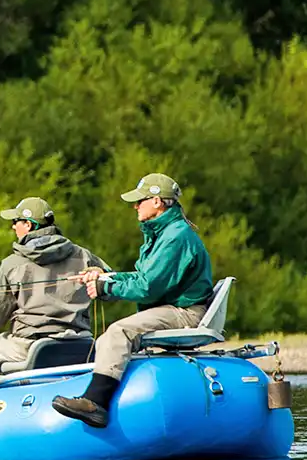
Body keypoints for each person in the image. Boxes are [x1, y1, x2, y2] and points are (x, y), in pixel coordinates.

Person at [52, 173, 214, 428]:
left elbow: (148, 288)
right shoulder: (164, 233)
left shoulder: (175, 237)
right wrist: (106, 276)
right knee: (108, 338)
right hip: (174, 307)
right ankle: (98, 394)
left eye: (140, 201)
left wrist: (106, 286)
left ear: (157, 201)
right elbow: (143, 277)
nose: (135, 206)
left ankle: (95, 404)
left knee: (119, 331)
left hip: (185, 311)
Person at [0, 197, 106, 377]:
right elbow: (111, 287)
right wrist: (99, 273)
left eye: (16, 221)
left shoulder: (12, 264)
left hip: (30, 347)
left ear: (28, 225)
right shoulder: (84, 255)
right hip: (80, 344)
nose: (13, 226)